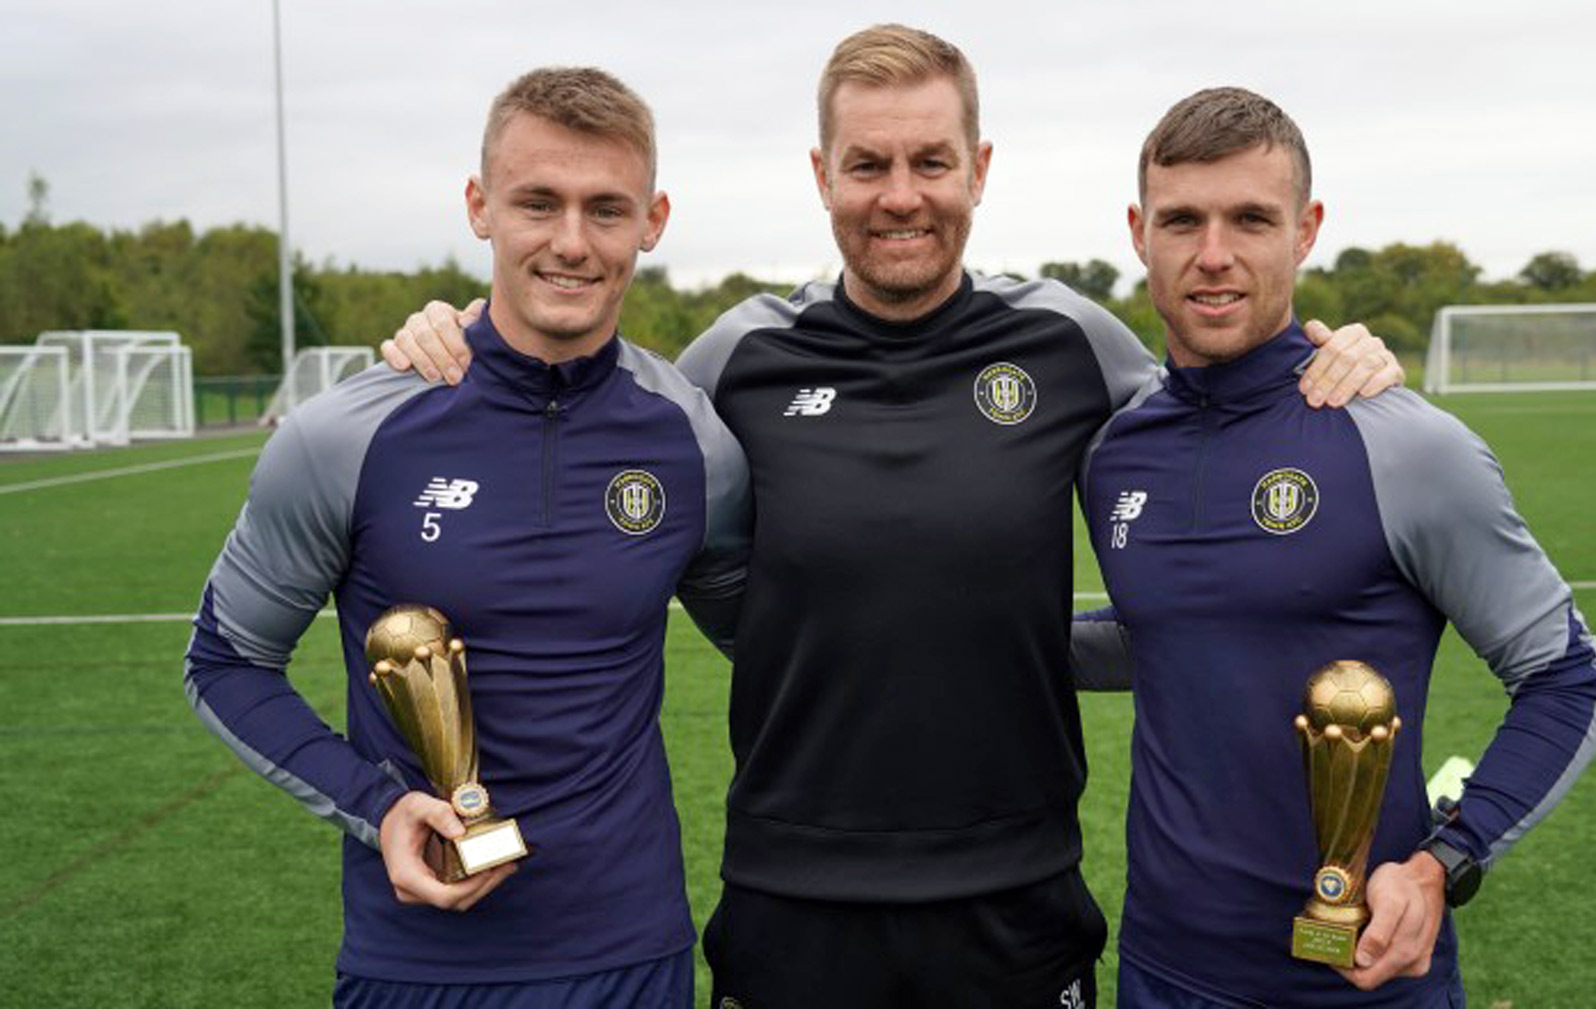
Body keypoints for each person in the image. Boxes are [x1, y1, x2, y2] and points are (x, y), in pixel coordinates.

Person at [385, 27, 1401, 1008]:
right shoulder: (735, 358)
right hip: (793, 894)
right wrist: (458, 332)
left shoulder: (1068, 341)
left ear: (979, 167)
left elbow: (1210, 416)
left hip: (1017, 892)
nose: (901, 195)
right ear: (823, 174)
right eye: (868, 164)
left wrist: (1334, 359)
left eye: (931, 160)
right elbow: (581, 413)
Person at [183, 67, 748, 1008]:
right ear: (480, 206)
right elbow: (225, 659)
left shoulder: (695, 443)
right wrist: (378, 805)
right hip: (417, 963)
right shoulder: (348, 435)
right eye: (538, 203)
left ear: (653, 221)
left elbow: (776, 643)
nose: (572, 242)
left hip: (631, 954)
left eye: (607, 209)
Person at [1077, 86, 1596, 1007]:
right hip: (1160, 968)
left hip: (1357, 981)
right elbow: (1171, 635)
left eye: (1251, 218)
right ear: (1138, 230)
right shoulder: (1116, 449)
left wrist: (1448, 857)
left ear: (1306, 228)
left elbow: (1568, 677)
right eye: (1182, 220)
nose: (1213, 255)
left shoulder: (1402, 441)